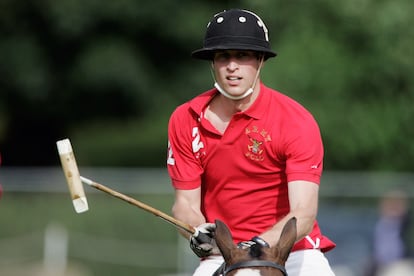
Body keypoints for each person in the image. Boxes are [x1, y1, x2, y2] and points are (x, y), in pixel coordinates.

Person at [166, 9, 336, 276]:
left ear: (260, 61)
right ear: (213, 62)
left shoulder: (295, 120)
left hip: (294, 252)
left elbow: (303, 212)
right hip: (224, 253)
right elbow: (185, 204)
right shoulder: (185, 119)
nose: (232, 66)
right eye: (223, 56)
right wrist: (197, 230)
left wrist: (258, 244)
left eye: (242, 55)